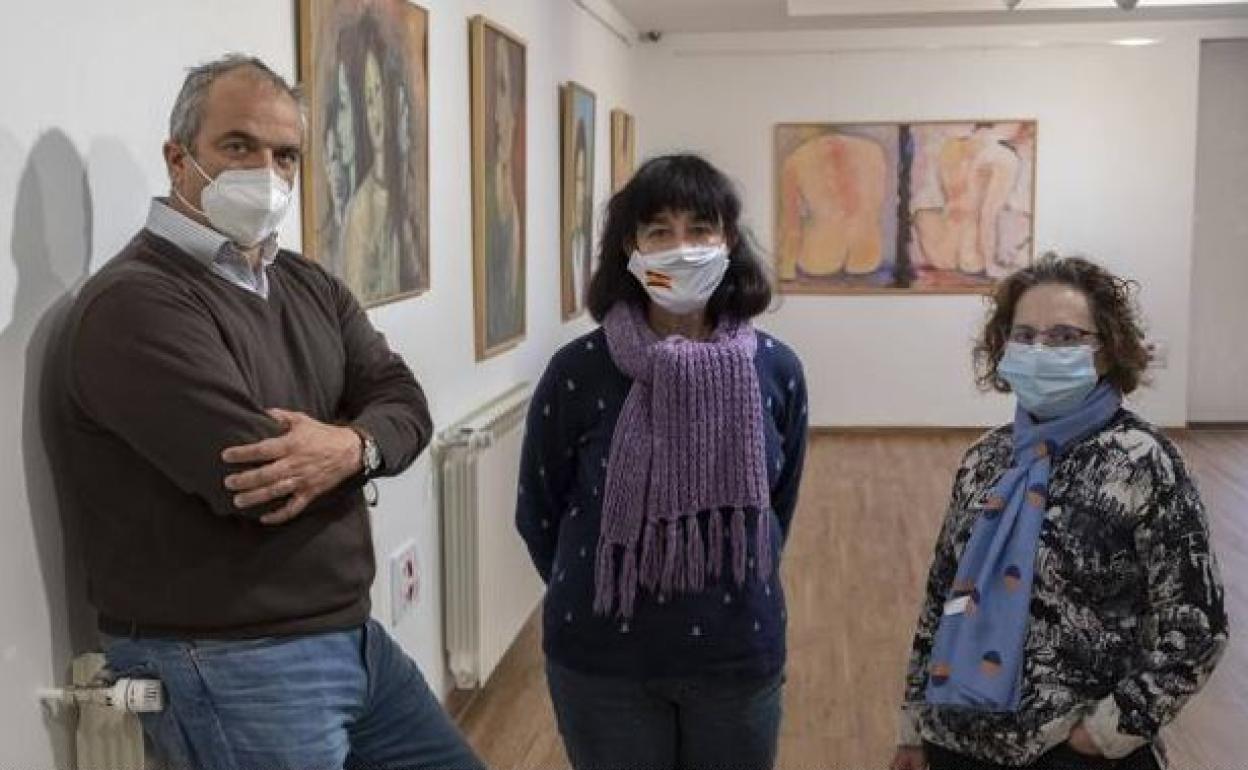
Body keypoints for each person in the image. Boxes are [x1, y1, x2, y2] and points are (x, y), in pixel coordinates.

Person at [55, 54, 483, 770]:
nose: (267, 170)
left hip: (351, 634)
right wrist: (364, 438)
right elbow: (256, 481)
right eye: (238, 146)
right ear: (177, 157)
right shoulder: (133, 305)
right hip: (228, 659)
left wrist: (350, 448)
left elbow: (405, 403)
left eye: (285, 154)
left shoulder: (305, 282)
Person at [516, 154, 809, 770]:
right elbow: (538, 509)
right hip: (602, 657)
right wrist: (604, 577)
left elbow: (778, 505)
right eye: (659, 232)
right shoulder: (579, 371)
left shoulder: (775, 370)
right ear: (631, 247)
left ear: (728, 240)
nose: (682, 248)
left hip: (736, 649)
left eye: (700, 229)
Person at [890, 255, 1228, 770]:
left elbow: (1198, 625)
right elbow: (943, 596)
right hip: (956, 740)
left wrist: (1106, 734)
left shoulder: (1142, 461)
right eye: (1024, 335)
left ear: (1108, 349)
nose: (1040, 349)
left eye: (1065, 337)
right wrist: (915, 726)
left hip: (1069, 752)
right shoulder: (986, 458)